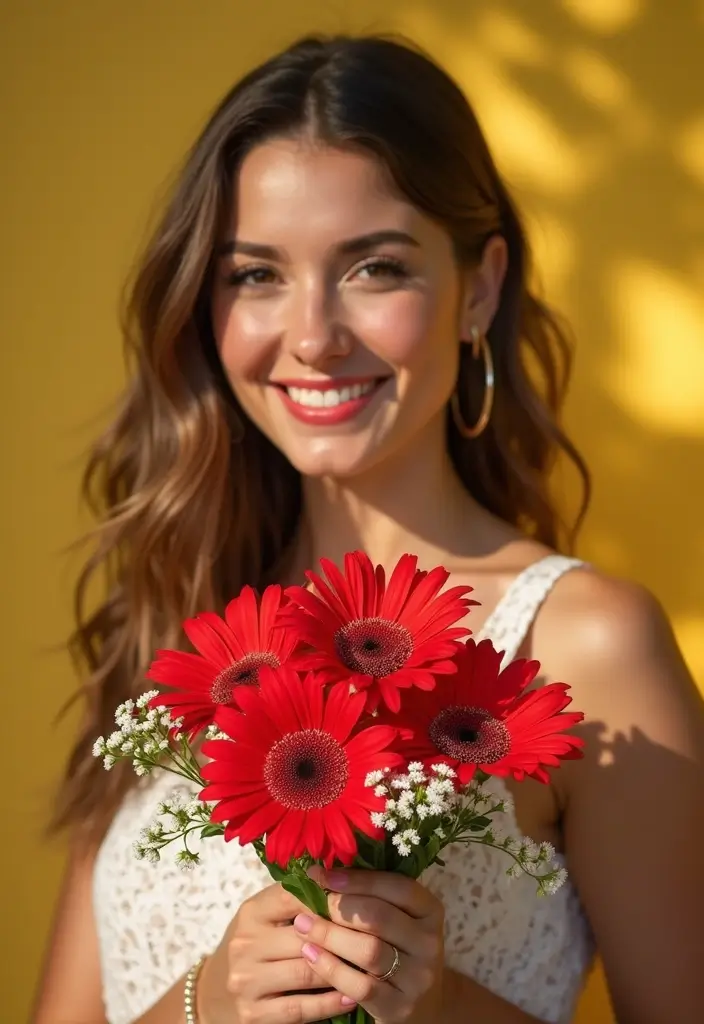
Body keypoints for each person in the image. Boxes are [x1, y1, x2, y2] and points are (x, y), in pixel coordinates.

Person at [32, 33, 703, 1024]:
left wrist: (436, 1003)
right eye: (255, 274)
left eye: (373, 268)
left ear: (476, 289)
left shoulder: (587, 643)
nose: (310, 336)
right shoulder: (181, 620)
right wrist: (203, 1000)